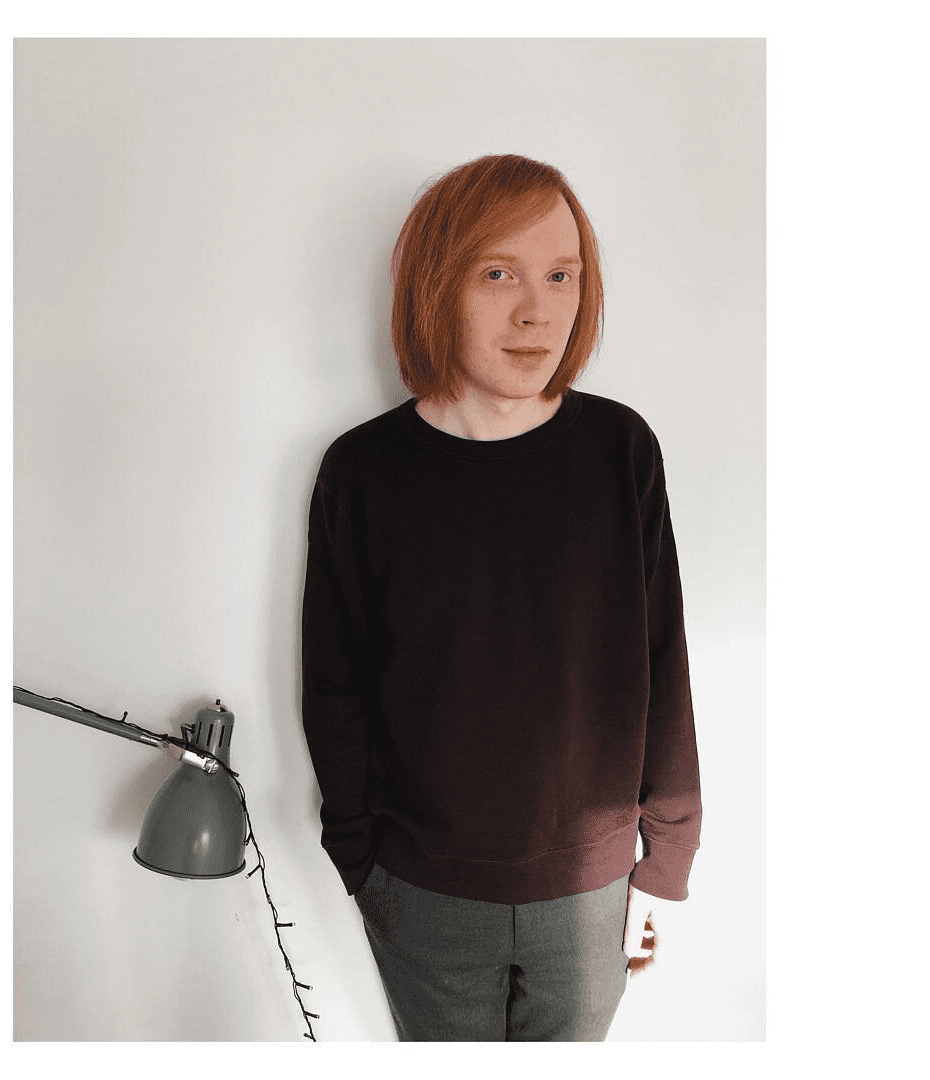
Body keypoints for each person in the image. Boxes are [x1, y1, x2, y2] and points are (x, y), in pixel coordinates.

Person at [300, 153, 701, 1042]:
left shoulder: (621, 451)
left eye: (562, 275)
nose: (537, 310)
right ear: (436, 285)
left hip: (593, 890)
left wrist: (666, 857)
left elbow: (662, 659)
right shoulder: (363, 472)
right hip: (421, 888)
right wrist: (358, 856)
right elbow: (335, 683)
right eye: (498, 274)